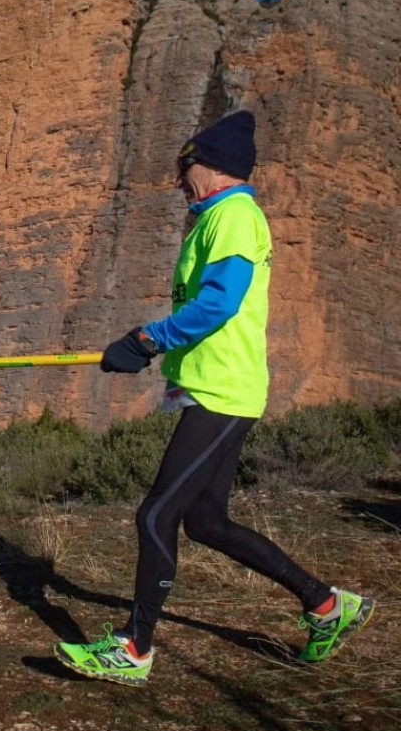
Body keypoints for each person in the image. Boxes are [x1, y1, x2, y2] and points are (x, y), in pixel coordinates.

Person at [55, 111, 375, 686]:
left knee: (156, 513)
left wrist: (147, 339)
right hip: (217, 388)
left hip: (223, 391)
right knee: (206, 523)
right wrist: (148, 350)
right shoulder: (220, 218)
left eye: (185, 168)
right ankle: (328, 605)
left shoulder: (231, 215)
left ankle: (134, 648)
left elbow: (218, 305)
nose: (180, 181)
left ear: (212, 166)